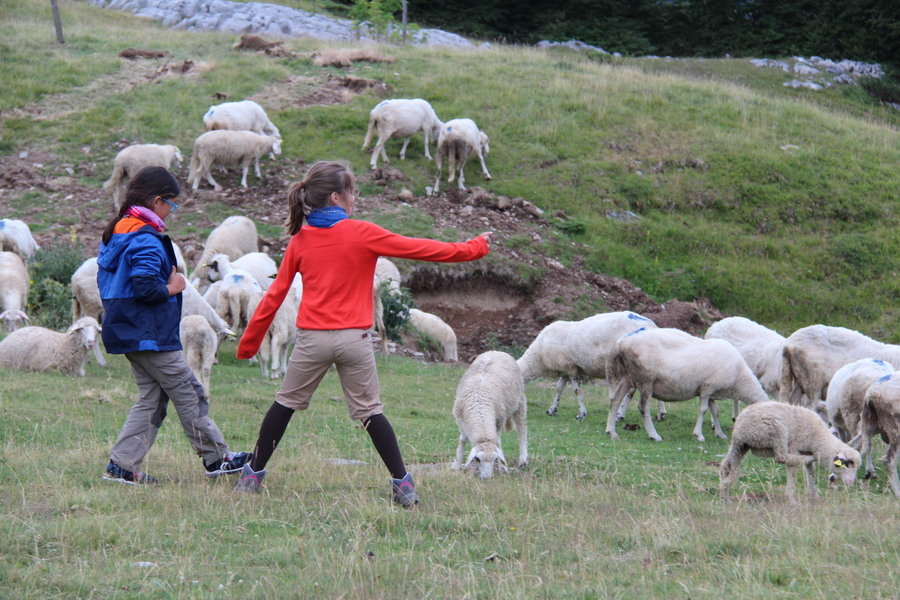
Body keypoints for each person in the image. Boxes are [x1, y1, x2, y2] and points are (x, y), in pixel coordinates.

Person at [234, 161, 491, 505]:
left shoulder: (300, 239)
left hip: (312, 340)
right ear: (338, 197)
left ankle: (252, 476)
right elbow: (423, 248)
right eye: (353, 192)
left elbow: (276, 294)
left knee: (284, 405)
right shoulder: (362, 232)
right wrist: (473, 247)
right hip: (355, 340)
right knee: (370, 412)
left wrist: (249, 342)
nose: (356, 198)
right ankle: (402, 484)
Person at [97, 166, 251, 484]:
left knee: (152, 398)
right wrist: (174, 287)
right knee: (189, 393)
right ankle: (218, 459)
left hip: (126, 329)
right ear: (156, 201)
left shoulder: (118, 232)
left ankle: (121, 466)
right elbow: (145, 287)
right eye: (172, 203)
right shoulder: (144, 239)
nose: (173, 210)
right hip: (148, 334)